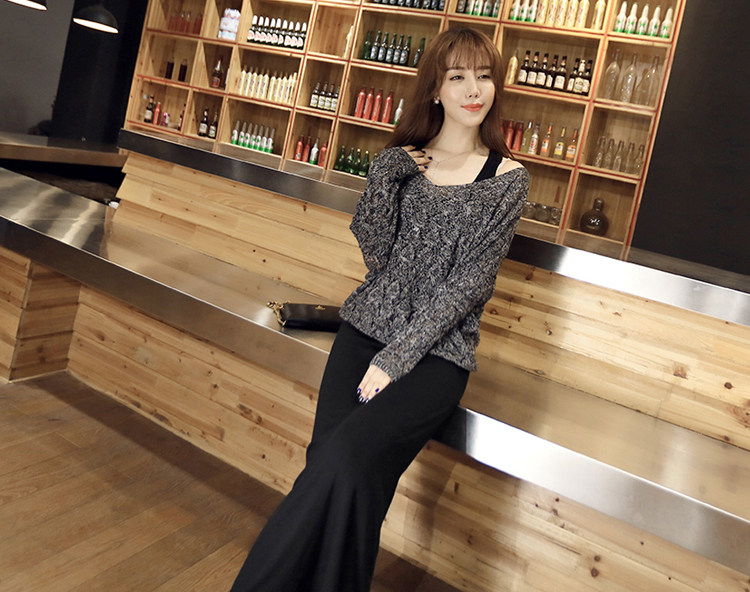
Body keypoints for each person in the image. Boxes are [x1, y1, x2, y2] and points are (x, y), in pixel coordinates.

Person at [230, 27, 529, 592]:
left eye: (484, 76)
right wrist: (385, 177)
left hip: (436, 356)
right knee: (340, 473)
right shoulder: (404, 162)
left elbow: (469, 285)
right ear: (435, 88)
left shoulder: (507, 180)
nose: (474, 89)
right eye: (458, 76)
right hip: (364, 330)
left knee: (345, 460)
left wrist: (396, 360)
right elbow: (378, 257)